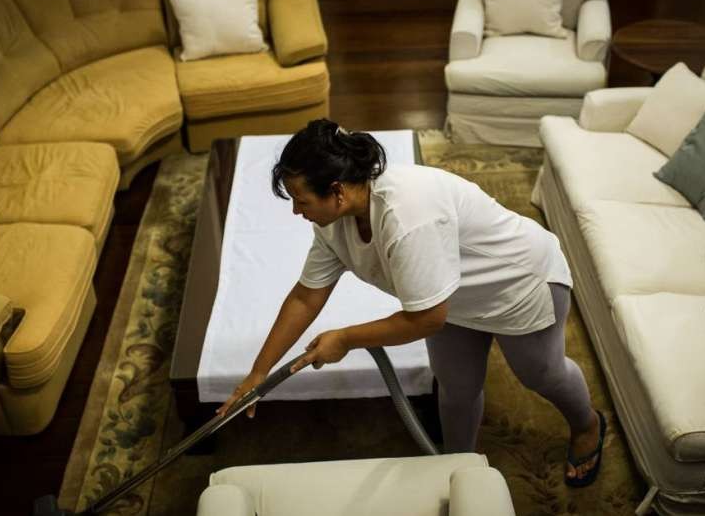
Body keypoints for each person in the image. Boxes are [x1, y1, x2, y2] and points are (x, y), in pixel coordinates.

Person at [216, 119, 606, 487]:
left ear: (337, 191)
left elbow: (426, 319)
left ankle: (588, 425)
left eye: (301, 200)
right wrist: (258, 374)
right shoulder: (332, 224)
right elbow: (305, 296)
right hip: (451, 296)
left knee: (540, 374)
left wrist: (346, 338)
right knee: (456, 386)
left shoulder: (408, 216)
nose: (295, 211)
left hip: (517, 283)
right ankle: (457, 466)